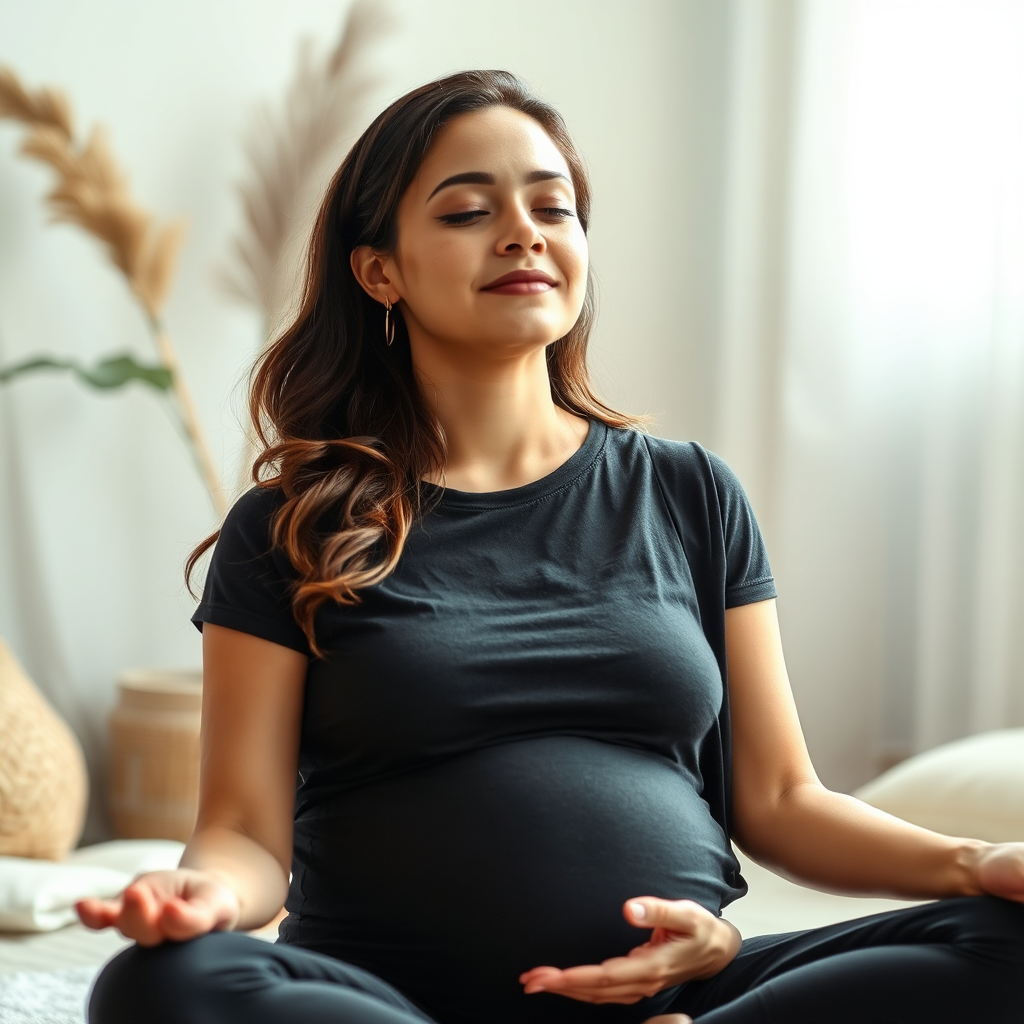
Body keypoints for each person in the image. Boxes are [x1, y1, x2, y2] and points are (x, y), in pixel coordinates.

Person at [80, 70, 1024, 1024]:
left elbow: (779, 797)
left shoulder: (690, 491)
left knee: (1005, 940)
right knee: (163, 988)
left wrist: (972, 861)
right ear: (380, 270)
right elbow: (243, 832)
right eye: (466, 212)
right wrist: (202, 896)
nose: (524, 232)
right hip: (397, 1002)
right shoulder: (291, 527)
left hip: (686, 992)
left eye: (553, 207)